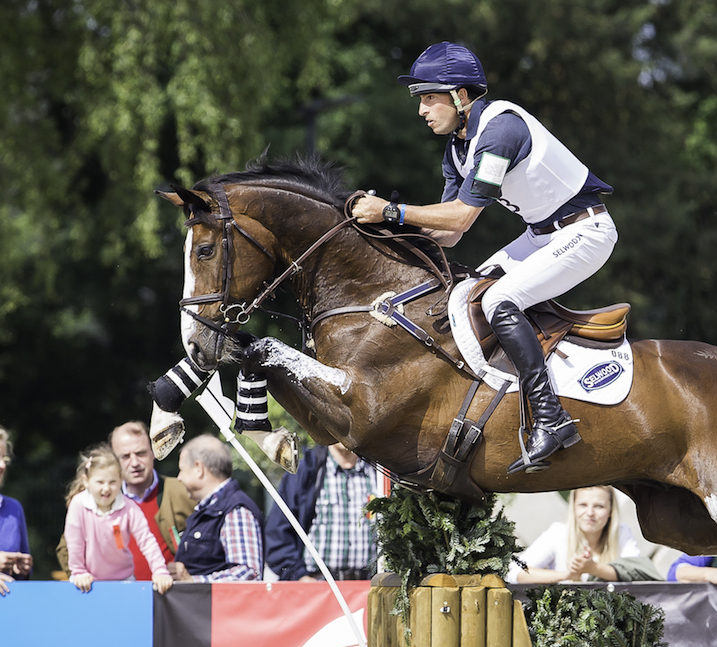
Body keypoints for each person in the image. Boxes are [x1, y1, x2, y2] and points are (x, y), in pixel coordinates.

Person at [351, 41, 618, 475]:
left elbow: (460, 214)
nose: (421, 110)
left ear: (461, 95)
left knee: (498, 301)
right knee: (468, 294)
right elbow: (451, 233)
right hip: (542, 236)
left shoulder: (500, 131)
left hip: (587, 231)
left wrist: (393, 211)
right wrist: (387, 227)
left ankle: (551, 417)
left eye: (429, 97)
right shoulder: (457, 148)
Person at [57, 420, 195, 578]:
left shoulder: (181, 491)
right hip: (112, 593)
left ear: (154, 453)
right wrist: (84, 578)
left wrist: (189, 571)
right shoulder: (92, 500)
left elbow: (209, 541)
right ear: (114, 461)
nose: (135, 463)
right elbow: (68, 547)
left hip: (168, 593)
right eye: (125, 456)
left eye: (141, 453)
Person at [63, 445, 173, 594]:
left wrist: (160, 571)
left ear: (121, 480)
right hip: (88, 581)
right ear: (86, 481)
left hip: (124, 580)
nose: (106, 488)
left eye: (113, 482)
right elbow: (74, 541)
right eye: (100, 482)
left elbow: (147, 540)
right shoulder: (79, 505)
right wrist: (78, 571)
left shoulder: (129, 507)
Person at [265, 443, 380, 581]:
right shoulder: (307, 470)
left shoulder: (380, 471)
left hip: (371, 588)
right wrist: (299, 576)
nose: (343, 432)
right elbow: (277, 533)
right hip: (317, 588)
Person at [167, 435, 264, 582]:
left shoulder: (236, 510)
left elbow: (248, 574)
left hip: (218, 605)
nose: (179, 477)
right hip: (201, 603)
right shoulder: (212, 508)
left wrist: (193, 581)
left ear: (199, 468)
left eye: (182, 469)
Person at [508, 486, 650, 583]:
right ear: (573, 508)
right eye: (583, 505)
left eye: (598, 506)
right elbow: (515, 569)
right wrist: (567, 575)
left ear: (611, 511)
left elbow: (637, 574)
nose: (590, 513)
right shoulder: (558, 533)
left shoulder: (621, 532)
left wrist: (593, 568)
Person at [0, 425, 32, 582]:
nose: (2, 466)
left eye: (4, 458)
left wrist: (22, 569)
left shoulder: (14, 508)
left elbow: (24, 577)